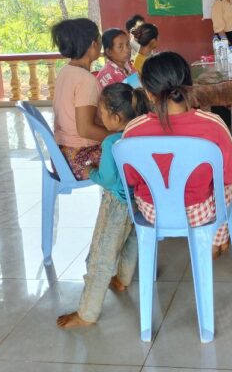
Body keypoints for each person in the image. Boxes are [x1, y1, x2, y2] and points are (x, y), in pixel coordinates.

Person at [122, 52, 232, 258]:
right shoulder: (213, 125)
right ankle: (216, 240)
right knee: (231, 185)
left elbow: (131, 179)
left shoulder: (133, 130)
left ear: (148, 93)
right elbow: (229, 176)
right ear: (189, 86)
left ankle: (215, 240)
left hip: (152, 212)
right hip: (200, 212)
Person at [57, 82, 150, 329]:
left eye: (101, 113)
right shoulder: (141, 134)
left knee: (100, 257)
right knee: (130, 241)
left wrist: (91, 172)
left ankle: (87, 313)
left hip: (116, 204)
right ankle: (122, 280)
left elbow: (108, 179)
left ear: (116, 117)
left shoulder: (111, 142)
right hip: (139, 200)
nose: (99, 118)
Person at [51, 18, 110, 180]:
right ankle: (118, 195)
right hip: (79, 159)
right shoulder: (86, 80)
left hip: (61, 157)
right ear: (93, 44)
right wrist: (119, 136)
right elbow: (85, 130)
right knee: (131, 152)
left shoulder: (65, 71)